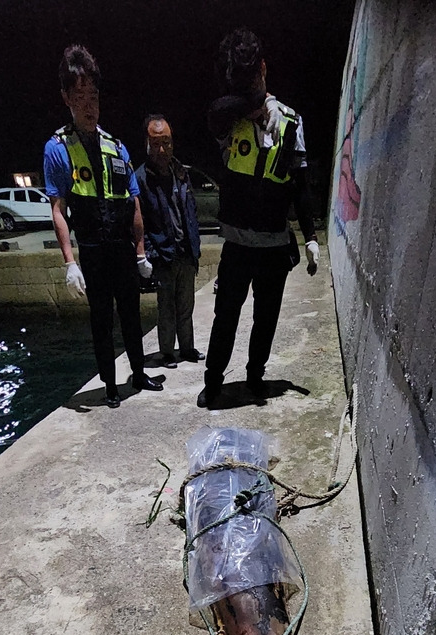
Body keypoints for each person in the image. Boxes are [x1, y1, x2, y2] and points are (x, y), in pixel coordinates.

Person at [197, 28, 320, 408]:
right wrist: (247, 104)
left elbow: (300, 186)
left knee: (265, 319)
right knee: (225, 317)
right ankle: (213, 382)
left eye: (252, 82)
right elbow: (213, 113)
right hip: (237, 244)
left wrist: (310, 237)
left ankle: (255, 377)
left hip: (273, 245)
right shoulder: (229, 119)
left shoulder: (291, 122)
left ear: (264, 68)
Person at [44, 45, 163, 408]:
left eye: (93, 95)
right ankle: (110, 385)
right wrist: (70, 263)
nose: (89, 104)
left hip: (122, 248)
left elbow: (134, 200)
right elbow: (58, 208)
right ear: (66, 98)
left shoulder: (117, 146)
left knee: (131, 313)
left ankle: (138, 373)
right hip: (93, 249)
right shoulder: (57, 148)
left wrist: (141, 252)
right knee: (101, 320)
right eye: (79, 96)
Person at [135, 116, 205, 369]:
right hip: (163, 255)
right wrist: (148, 254)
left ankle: (186, 348)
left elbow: (191, 210)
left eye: (166, 142)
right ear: (147, 144)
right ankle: (166, 353)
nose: (162, 149)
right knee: (166, 309)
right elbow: (138, 222)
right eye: (156, 143)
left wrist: (194, 245)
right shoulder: (141, 179)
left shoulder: (181, 172)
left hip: (186, 252)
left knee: (187, 305)